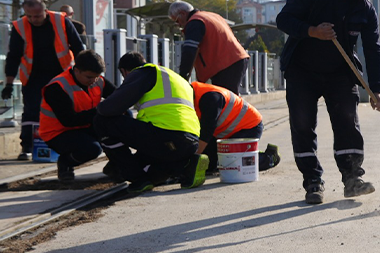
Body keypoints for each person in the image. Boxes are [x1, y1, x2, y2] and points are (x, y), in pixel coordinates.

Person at [275, 0, 380, 204]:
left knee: (348, 123)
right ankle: (313, 182)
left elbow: (373, 48)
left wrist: (376, 89)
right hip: (301, 70)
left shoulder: (365, 9)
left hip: (341, 74)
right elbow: (283, 19)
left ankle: (352, 179)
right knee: (303, 125)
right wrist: (312, 31)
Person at [94, 52, 208, 193]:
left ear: (124, 71)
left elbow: (108, 109)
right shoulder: (175, 78)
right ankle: (186, 166)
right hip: (189, 142)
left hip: (165, 136)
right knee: (147, 169)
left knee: (101, 120)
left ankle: (137, 179)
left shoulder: (143, 73)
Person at [3, 0, 84, 160]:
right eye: (30, 16)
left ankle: (65, 146)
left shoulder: (61, 21)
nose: (34, 20)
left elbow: (78, 47)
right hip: (33, 77)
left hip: (61, 74)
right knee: (32, 111)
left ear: (45, 11)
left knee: (63, 110)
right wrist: (9, 83)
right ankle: (27, 147)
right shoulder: (20, 27)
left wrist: (81, 73)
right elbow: (14, 56)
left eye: (38, 16)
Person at [39, 50, 115, 183]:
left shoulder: (97, 80)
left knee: (121, 125)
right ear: (77, 70)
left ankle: (116, 165)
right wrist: (101, 111)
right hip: (58, 133)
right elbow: (69, 121)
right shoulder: (57, 87)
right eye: (89, 77)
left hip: (85, 125)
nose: (94, 81)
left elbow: (117, 96)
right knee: (92, 149)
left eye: (97, 76)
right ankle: (66, 162)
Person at [191, 81, 280, 174]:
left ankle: (269, 158)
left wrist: (194, 158)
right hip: (226, 133)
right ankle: (249, 152)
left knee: (233, 163)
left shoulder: (211, 98)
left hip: (250, 127)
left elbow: (206, 132)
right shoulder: (194, 95)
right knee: (212, 163)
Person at [169, 1, 250, 94]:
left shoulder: (195, 22)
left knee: (224, 100)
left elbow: (189, 51)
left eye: (177, 21)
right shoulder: (210, 16)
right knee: (228, 98)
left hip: (225, 64)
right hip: (235, 59)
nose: (178, 25)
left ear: (182, 13)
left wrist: (183, 78)